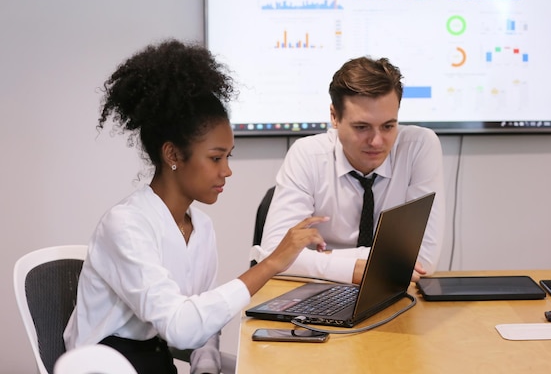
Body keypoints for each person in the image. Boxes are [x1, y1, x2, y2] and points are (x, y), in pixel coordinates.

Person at [63, 39, 327, 374]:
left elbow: (202, 323)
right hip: (103, 366)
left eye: (228, 157)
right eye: (216, 157)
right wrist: (273, 262)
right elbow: (180, 326)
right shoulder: (126, 225)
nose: (226, 170)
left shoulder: (200, 227)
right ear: (173, 155)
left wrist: (206, 366)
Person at [255, 56, 445, 285]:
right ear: (334, 117)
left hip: (389, 292)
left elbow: (423, 261)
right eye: (362, 127)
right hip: (315, 291)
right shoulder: (307, 154)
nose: (377, 141)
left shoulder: (419, 147)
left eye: (388, 126)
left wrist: (323, 259)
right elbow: (274, 257)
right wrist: (359, 268)